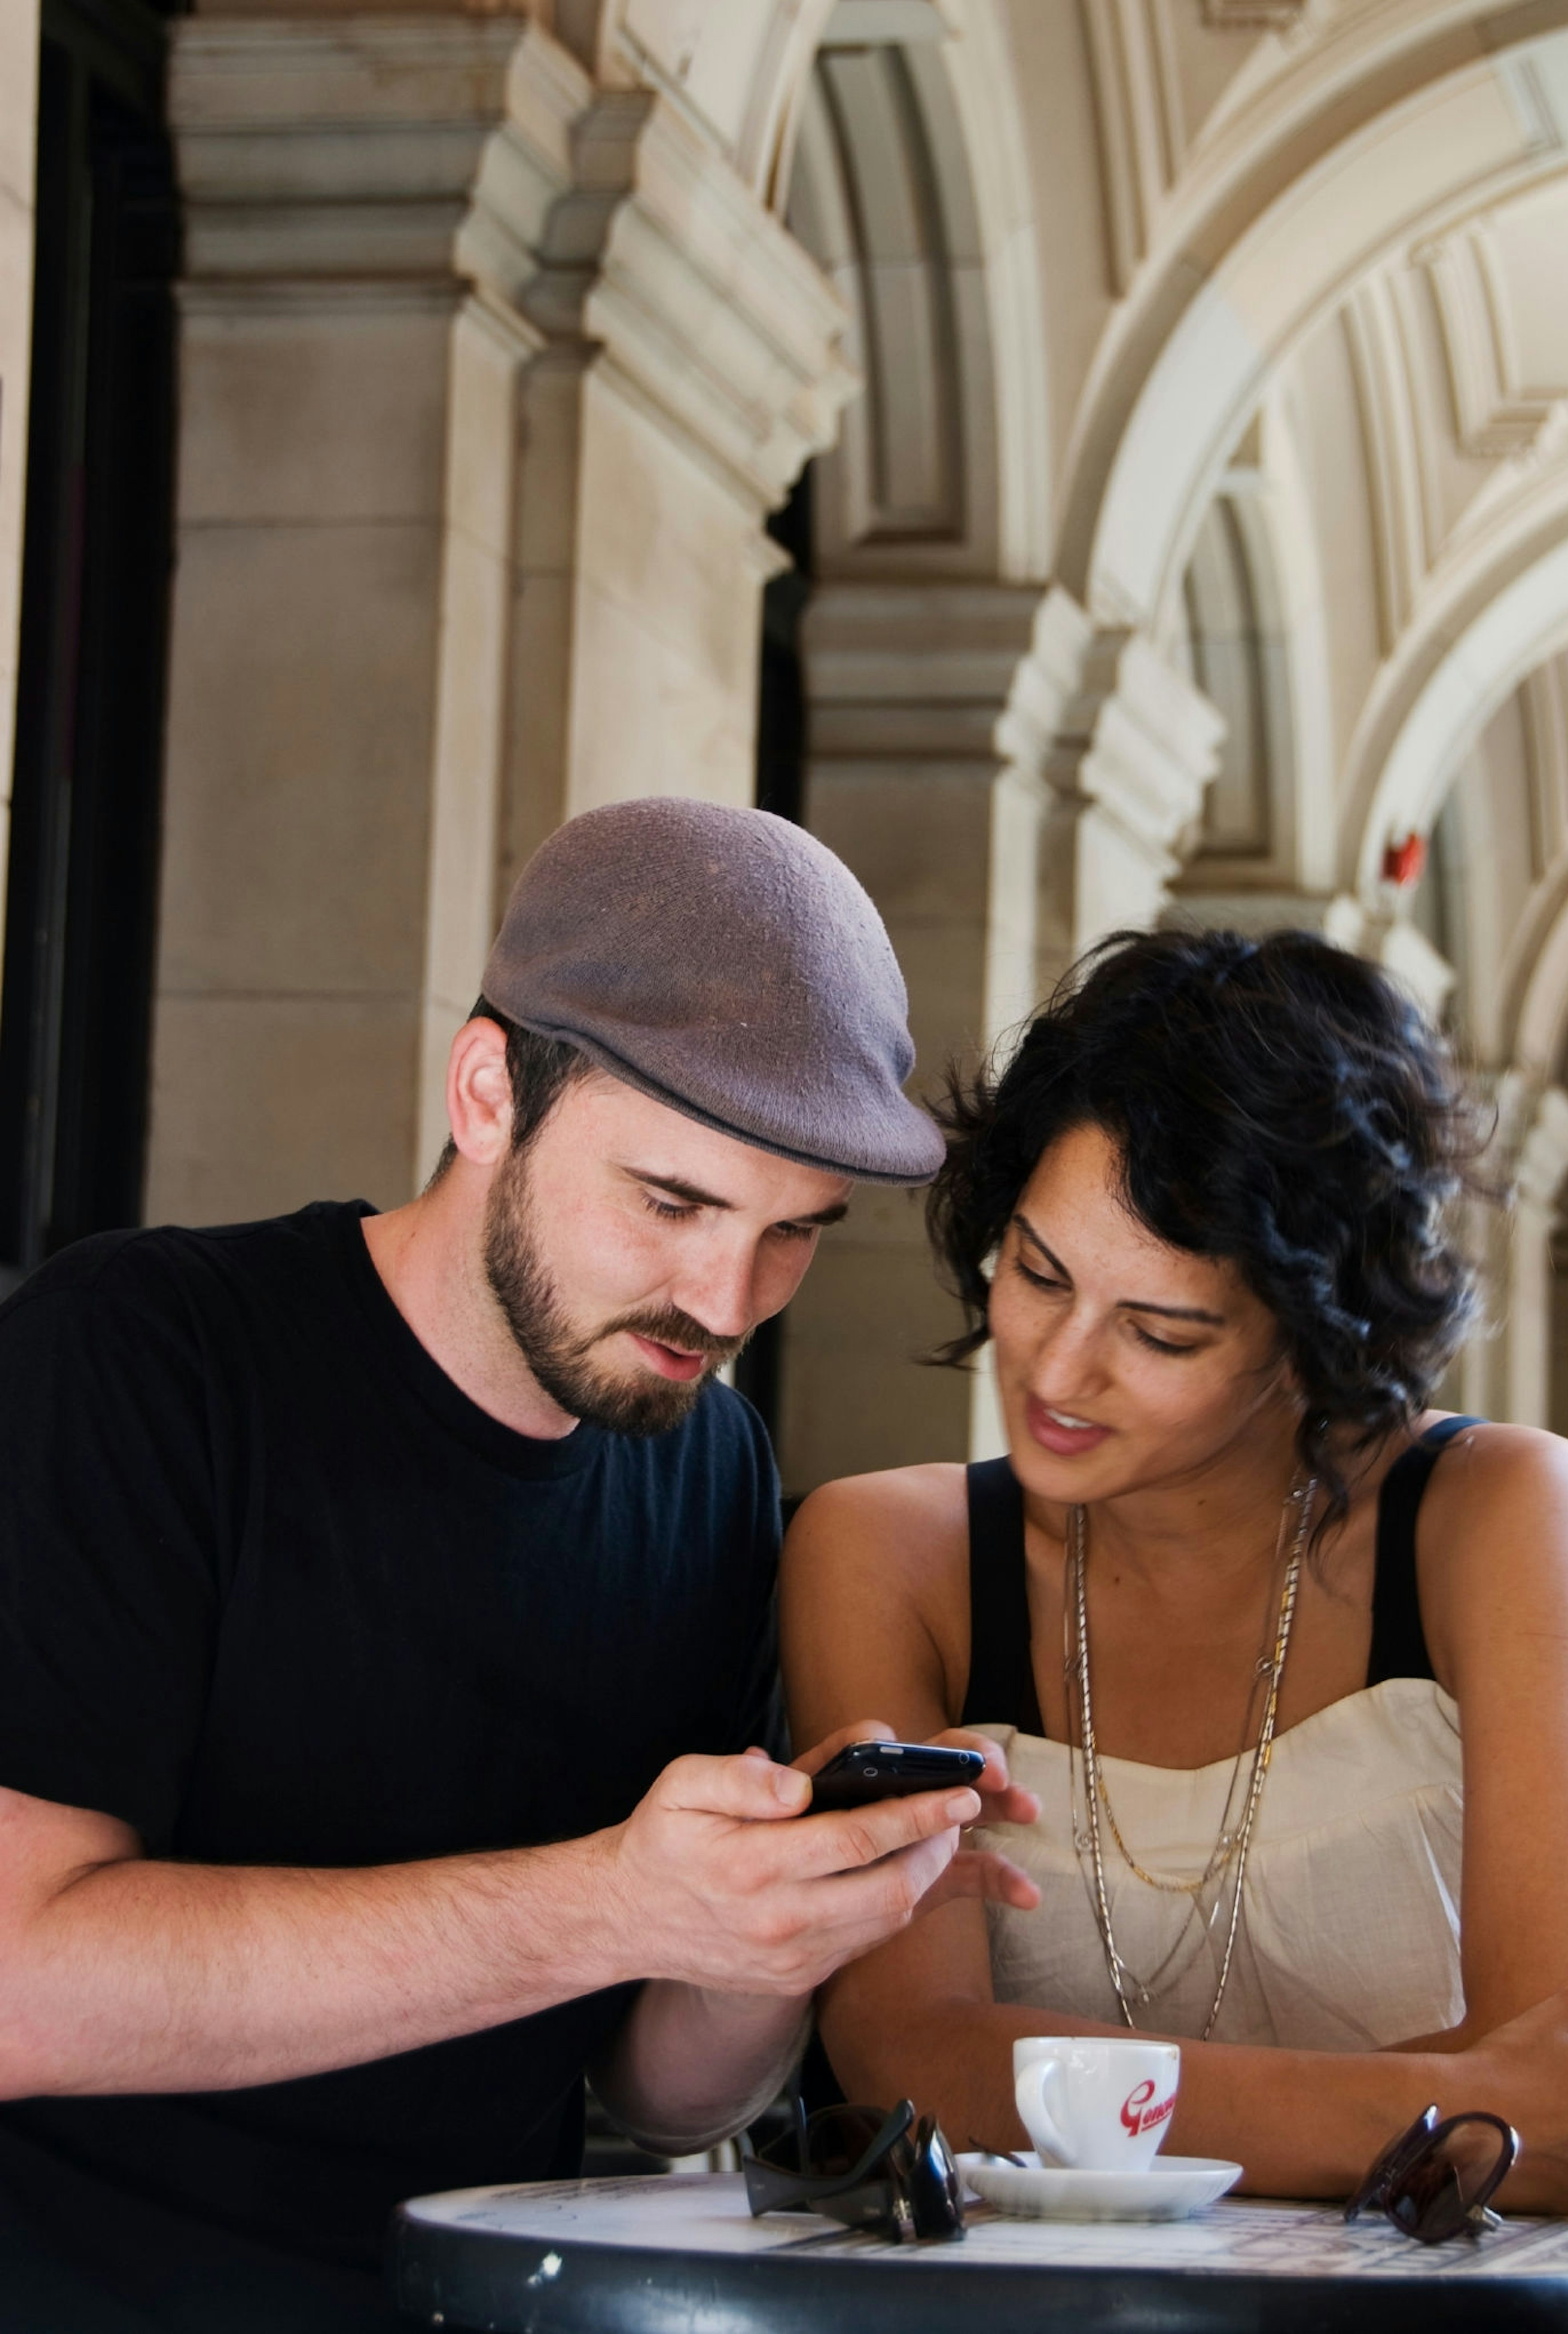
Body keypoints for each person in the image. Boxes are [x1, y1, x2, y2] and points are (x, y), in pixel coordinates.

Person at [0, 798, 1037, 2333]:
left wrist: (779, 1907)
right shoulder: (145, 1359)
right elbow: (18, 1983)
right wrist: (607, 1901)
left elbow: (658, 2090)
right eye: (671, 1199)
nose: (726, 1294)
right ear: (488, 1089)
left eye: (794, 1231)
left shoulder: (711, 1468)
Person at [784, 926, 1568, 2254]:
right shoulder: (882, 1551)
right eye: (1039, 1271)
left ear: (1314, 1338)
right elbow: (910, 2068)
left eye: (1163, 1330)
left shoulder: (1506, 1518)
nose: (1055, 1368)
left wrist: (1053, 2096)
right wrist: (1454, 2099)